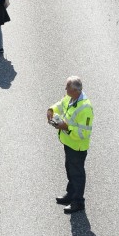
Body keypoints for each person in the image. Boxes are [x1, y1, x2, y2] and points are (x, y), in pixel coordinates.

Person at [47, 77, 93, 214]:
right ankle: (71, 195)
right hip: (69, 143)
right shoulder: (70, 98)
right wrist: (51, 110)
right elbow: (61, 105)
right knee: (69, 169)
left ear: (75, 90)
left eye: (67, 87)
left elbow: (84, 133)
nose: (65, 90)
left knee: (77, 174)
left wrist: (66, 128)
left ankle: (78, 202)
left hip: (77, 147)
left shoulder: (86, 108)